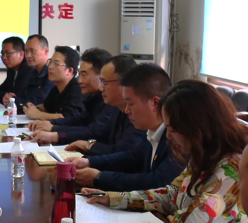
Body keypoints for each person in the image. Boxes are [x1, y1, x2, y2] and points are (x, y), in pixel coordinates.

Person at [88, 81, 248, 223]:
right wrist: (114, 198)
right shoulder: (202, 154)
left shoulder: (232, 168)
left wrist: (175, 218)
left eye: (173, 129)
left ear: (197, 128)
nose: (168, 136)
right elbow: (172, 195)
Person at [73, 63, 184, 192]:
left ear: (155, 103)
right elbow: (131, 158)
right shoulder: (152, 131)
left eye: (130, 104)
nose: (126, 111)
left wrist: (99, 178)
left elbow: (158, 182)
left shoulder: (177, 138)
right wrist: (88, 162)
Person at [30, 48, 112, 144]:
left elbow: (93, 132)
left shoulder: (110, 102)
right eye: (79, 75)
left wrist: (55, 131)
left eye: (84, 75)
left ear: (102, 76)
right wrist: (51, 123)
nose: (79, 81)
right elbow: (79, 120)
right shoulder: (94, 97)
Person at [22, 45, 85, 121]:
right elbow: (46, 107)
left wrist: (38, 114)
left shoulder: (77, 90)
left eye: (56, 64)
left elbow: (68, 118)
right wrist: (32, 107)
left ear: (69, 71)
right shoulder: (56, 89)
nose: (50, 67)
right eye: (50, 62)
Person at [10, 34, 54, 105]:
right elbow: (22, 96)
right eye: (26, 51)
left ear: (46, 51)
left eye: (32, 51)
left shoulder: (52, 74)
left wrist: (14, 100)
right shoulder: (32, 73)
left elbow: (39, 102)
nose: (28, 55)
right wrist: (11, 98)